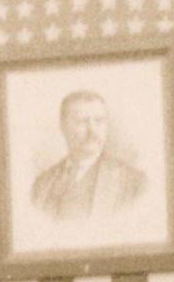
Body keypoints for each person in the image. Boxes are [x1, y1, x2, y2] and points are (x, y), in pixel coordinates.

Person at [30, 90, 147, 223]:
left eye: (99, 121)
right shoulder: (42, 184)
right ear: (63, 126)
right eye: (81, 121)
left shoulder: (134, 182)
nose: (92, 130)